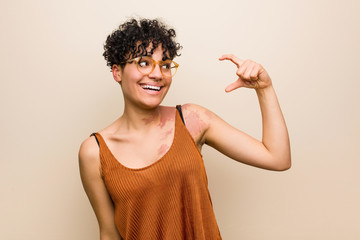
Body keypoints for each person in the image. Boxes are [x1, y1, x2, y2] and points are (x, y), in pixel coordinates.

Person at [78, 18, 291, 240]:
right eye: (143, 62)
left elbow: (278, 158)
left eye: (166, 65)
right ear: (117, 72)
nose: (158, 74)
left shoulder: (192, 120)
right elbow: (110, 234)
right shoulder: (94, 152)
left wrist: (264, 88)